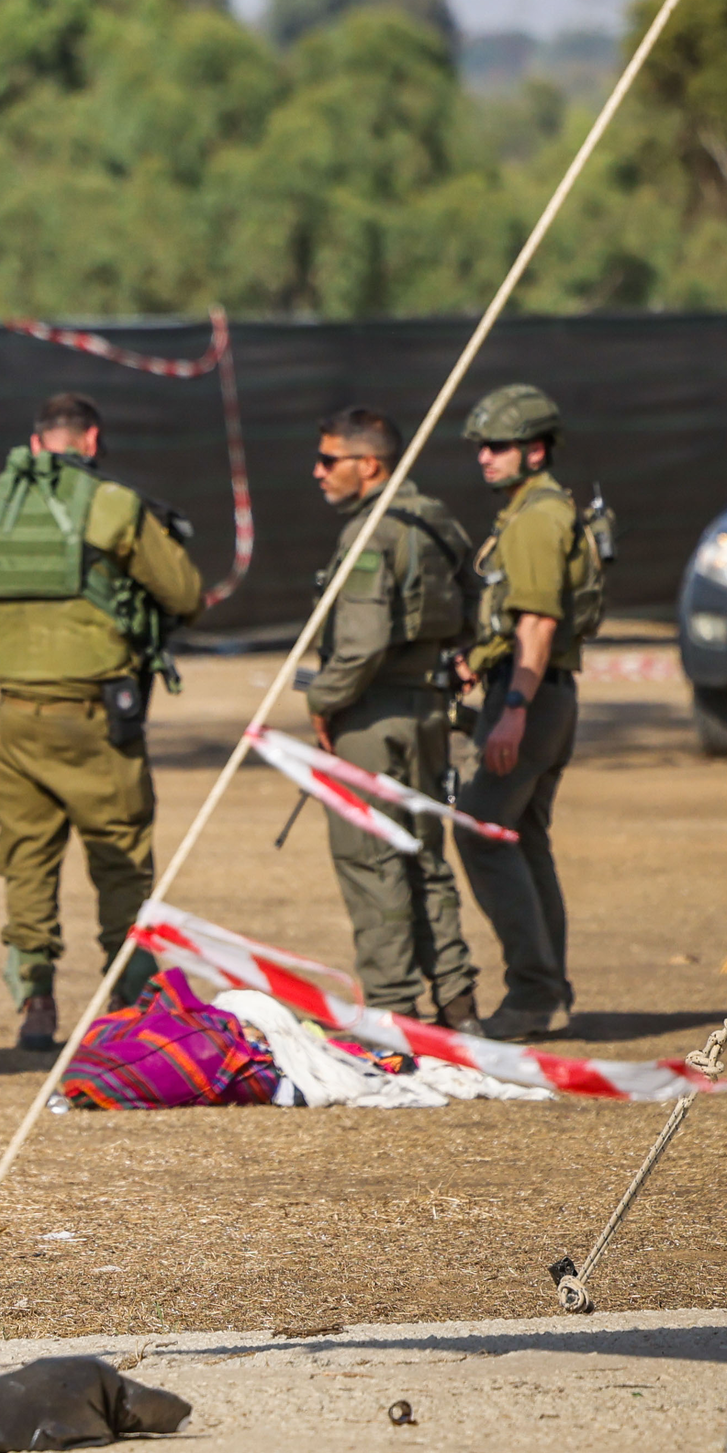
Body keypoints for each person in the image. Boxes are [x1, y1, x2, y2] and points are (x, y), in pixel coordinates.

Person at [0, 391, 200, 1048]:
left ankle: (35, 1002)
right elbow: (185, 593)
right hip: (96, 719)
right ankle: (130, 998)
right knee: (120, 861)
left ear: (37, 443)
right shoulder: (116, 505)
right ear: (91, 442)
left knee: (27, 864)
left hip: (14, 716)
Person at [297, 407, 482, 1027]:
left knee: (371, 859)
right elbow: (475, 604)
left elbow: (362, 642)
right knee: (426, 856)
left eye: (329, 460)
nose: (317, 472)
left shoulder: (369, 533)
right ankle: (458, 1005)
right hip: (428, 709)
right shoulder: (435, 522)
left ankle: (394, 1017)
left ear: (368, 465)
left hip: (372, 715)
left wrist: (324, 699)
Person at [453, 381, 610, 1039]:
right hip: (537, 693)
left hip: (532, 698)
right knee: (522, 838)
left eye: (498, 447)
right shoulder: (533, 511)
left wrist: (513, 706)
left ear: (535, 450)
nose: (484, 457)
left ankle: (532, 993)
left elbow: (539, 623)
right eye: (483, 447)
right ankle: (549, 991)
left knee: (480, 832)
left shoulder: (539, 518)